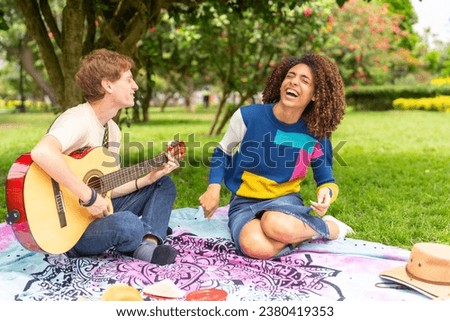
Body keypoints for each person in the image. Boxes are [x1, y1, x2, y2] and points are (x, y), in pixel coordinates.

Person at [30, 48, 179, 265]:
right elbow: (42, 153)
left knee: (163, 185)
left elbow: (108, 187)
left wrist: (149, 177)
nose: (135, 86)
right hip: (69, 229)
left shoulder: (112, 130)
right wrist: (89, 197)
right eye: (129, 80)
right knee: (128, 223)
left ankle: (147, 244)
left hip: (94, 215)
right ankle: (135, 238)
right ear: (108, 85)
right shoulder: (77, 120)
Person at [199, 52, 353, 260]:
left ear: (315, 95)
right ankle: (300, 232)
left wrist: (326, 194)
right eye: (290, 75)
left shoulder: (316, 133)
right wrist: (213, 188)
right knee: (254, 247)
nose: (294, 82)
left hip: (285, 200)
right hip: (243, 202)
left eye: (304, 80)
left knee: (274, 223)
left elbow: (326, 179)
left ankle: (330, 227)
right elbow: (222, 151)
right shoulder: (248, 116)